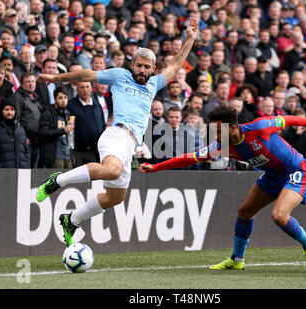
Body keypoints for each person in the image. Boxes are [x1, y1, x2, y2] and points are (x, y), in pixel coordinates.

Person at [35, 18, 200, 246]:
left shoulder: (153, 84)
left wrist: (189, 39)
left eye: (146, 67)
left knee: (116, 197)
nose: (142, 70)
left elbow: (175, 66)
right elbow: (86, 75)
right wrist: (55, 78)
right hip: (116, 134)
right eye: (139, 65)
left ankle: (72, 219)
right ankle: (58, 180)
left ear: (152, 69)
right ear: (132, 64)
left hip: (130, 145)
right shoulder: (119, 75)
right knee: (111, 171)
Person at [141, 104, 306, 273]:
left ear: (232, 128)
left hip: (298, 170)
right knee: (245, 212)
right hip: (273, 176)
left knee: (279, 215)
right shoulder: (223, 146)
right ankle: (237, 259)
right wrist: (156, 167)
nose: (215, 136)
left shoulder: (260, 127)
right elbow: (190, 157)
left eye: (218, 131)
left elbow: (288, 119)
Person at [39, 87, 74, 169]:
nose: (63, 100)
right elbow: (43, 133)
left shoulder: (67, 114)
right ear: (55, 99)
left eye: (65, 97)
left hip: (67, 155)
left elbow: (70, 136)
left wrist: (71, 154)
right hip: (55, 155)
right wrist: (63, 130)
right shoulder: (47, 113)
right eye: (60, 98)